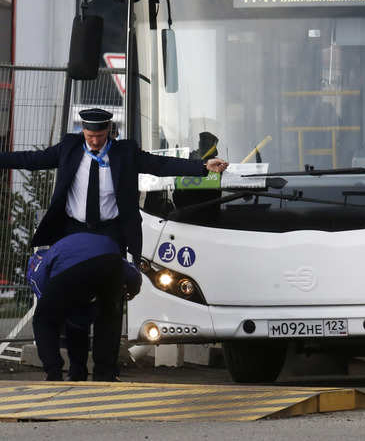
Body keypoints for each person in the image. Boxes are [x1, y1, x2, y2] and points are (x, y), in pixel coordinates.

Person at [1, 108, 229, 380]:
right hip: (73, 231)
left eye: (99, 135)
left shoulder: (125, 152)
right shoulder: (70, 148)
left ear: (109, 130)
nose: (94, 141)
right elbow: (32, 159)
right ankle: (76, 369)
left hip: (111, 234)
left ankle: (105, 371)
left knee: (110, 305)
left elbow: (159, 165)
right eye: (89, 135)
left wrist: (202, 167)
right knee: (75, 304)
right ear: (82, 131)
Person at [27, 232, 142, 381]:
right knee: (108, 317)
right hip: (109, 261)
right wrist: (133, 289)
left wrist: (58, 316)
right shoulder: (72, 245)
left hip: (70, 270)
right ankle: (104, 373)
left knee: (43, 320)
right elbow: (131, 272)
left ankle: (55, 372)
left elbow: (47, 305)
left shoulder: (38, 266)